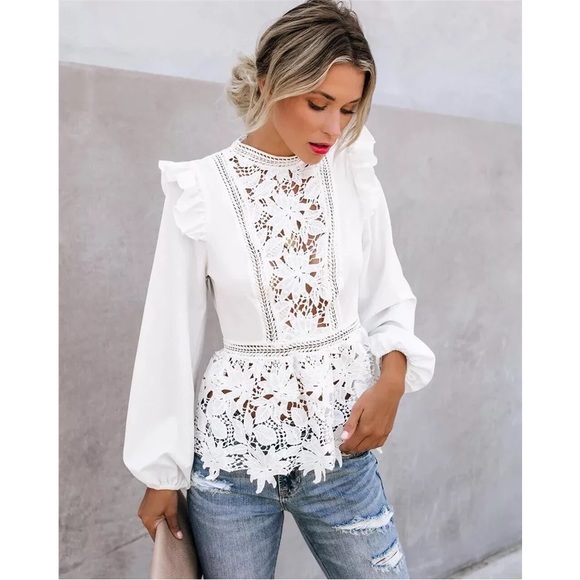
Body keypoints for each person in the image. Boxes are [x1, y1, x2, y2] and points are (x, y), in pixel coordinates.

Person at [123, 1, 436, 578]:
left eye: (348, 109)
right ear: (268, 83)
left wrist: (392, 382)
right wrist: (161, 474)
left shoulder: (352, 171)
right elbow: (169, 333)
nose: (333, 127)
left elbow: (387, 293)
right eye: (318, 103)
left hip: (342, 454)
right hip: (231, 465)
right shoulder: (201, 189)